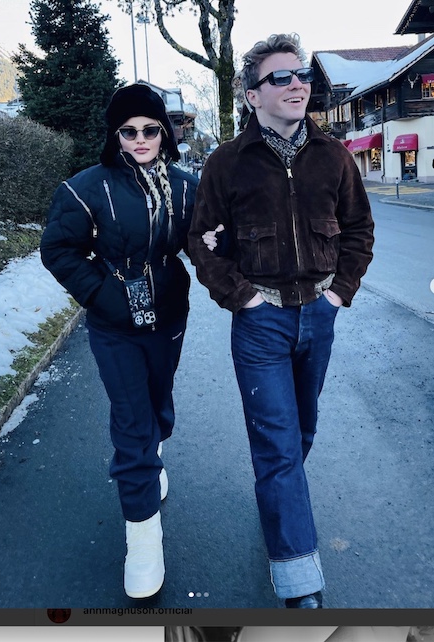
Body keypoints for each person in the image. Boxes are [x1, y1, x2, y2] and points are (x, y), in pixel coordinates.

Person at [188, 33, 374, 607]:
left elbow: (360, 232)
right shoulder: (227, 163)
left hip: (319, 314)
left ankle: (278, 495)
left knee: (301, 432)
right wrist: (240, 297)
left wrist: (339, 295)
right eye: (281, 77)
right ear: (251, 95)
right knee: (276, 443)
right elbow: (200, 240)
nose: (298, 84)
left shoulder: (335, 157)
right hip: (261, 321)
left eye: (301, 76)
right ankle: (299, 578)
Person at [40, 83, 198, 599]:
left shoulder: (185, 185)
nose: (140, 139)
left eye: (150, 129)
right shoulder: (86, 188)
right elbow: (58, 248)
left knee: (157, 405)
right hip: (115, 326)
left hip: (169, 317)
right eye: (128, 131)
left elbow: (207, 239)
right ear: (116, 135)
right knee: (131, 419)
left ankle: (153, 453)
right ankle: (143, 539)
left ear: (165, 133)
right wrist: (102, 295)